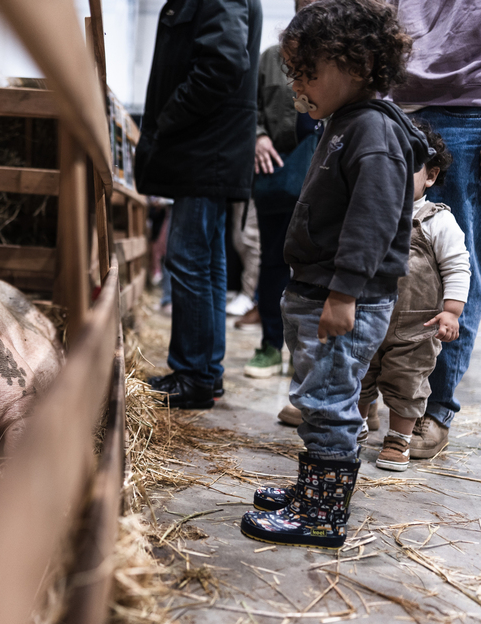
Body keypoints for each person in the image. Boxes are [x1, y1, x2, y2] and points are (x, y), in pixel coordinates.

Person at [241, 0, 431, 549]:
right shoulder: (346, 122)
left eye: (309, 72)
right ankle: (310, 492)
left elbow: (371, 222)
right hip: (318, 288)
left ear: (357, 64)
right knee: (317, 395)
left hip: (341, 295)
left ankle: (321, 515)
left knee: (327, 404)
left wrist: (344, 293)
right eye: (295, 72)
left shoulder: (371, 131)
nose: (299, 83)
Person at [135, 0, 263, 409]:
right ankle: (205, 373)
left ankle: (193, 375)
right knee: (205, 263)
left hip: (206, 146)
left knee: (189, 258)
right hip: (210, 148)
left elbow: (222, 63)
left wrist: (167, 118)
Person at [387, 0, 481, 459]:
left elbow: (459, 265)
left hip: (464, 106)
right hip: (391, 101)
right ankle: (355, 399)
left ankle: (433, 408)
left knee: (452, 255)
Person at [361, 121, 470, 472]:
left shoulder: (437, 221)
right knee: (358, 373)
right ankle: (355, 425)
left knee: (407, 383)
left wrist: (452, 311)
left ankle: (398, 438)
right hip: (366, 316)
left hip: (415, 327)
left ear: (431, 176)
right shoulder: (370, 213)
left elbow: (457, 267)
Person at [244, 0, 320, 378]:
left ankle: (304, 352)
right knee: (274, 259)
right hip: (276, 172)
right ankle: (271, 345)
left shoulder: (339, 58)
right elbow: (250, 105)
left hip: (323, 174)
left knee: (315, 262)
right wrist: (257, 136)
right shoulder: (271, 57)